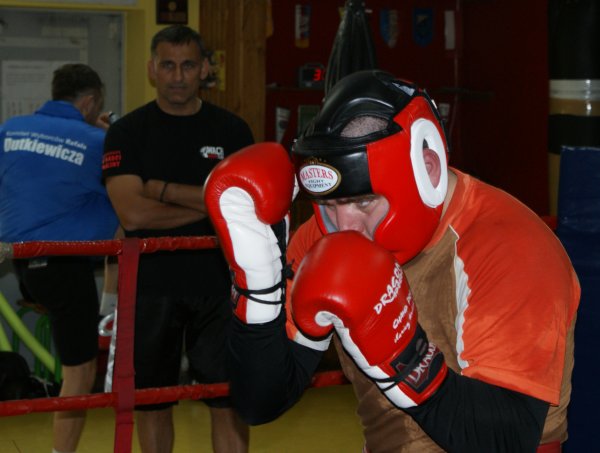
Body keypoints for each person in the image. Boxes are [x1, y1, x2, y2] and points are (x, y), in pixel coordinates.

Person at [204, 70, 580, 452]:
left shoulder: (510, 246)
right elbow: (261, 402)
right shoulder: (323, 238)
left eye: (364, 202)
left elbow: (509, 438)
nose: (345, 225)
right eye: (330, 205)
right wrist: (259, 291)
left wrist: (406, 360)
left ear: (427, 169)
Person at [102, 24, 253, 453]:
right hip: (150, 286)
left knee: (227, 399)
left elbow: (245, 206)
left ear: (204, 68)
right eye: (167, 65)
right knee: (153, 401)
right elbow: (133, 213)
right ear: (152, 69)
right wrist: (211, 202)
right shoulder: (128, 132)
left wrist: (163, 189)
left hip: (219, 284)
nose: (178, 76)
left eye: (188, 65)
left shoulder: (232, 131)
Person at [0, 63, 119, 453]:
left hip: (23, 264)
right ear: (90, 101)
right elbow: (130, 185)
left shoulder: (12, 129)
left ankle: (109, 306)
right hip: (65, 265)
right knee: (80, 371)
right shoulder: (95, 140)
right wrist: (108, 134)